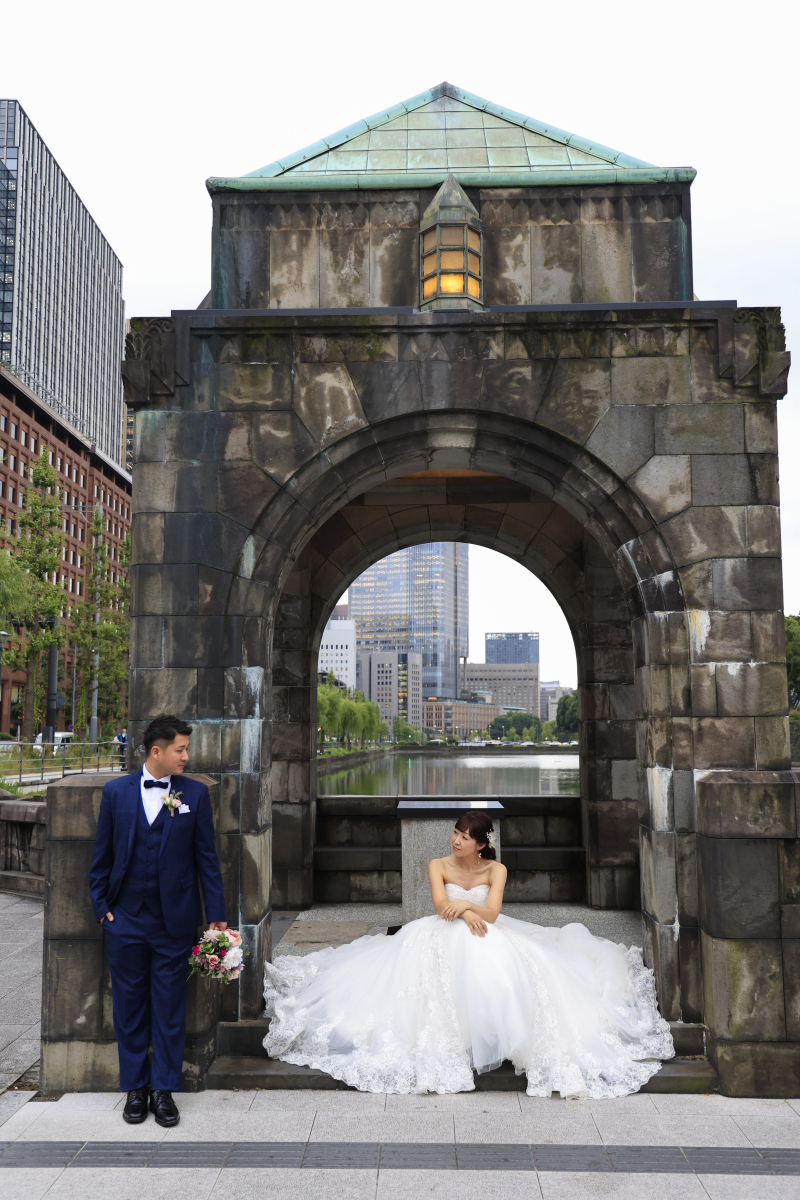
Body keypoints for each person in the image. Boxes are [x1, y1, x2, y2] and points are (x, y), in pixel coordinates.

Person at [264, 811, 674, 1098]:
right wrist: (461, 910)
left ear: (481, 844)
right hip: (440, 931)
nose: (456, 839)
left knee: (495, 957)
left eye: (464, 836)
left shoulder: (496, 870)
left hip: (484, 929)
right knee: (446, 958)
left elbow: (493, 914)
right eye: (455, 833)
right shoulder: (436, 864)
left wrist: (466, 908)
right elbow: (442, 906)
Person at [89, 713, 227, 1126]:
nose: (186, 756)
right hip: (124, 920)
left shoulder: (194, 796)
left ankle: (164, 1089)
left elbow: (208, 861)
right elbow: (101, 859)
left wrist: (215, 917)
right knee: (129, 1008)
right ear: (157, 751)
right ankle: (135, 1088)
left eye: (186, 749)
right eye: (180, 749)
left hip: (175, 923)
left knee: (169, 1007)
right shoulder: (116, 793)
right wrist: (103, 910)